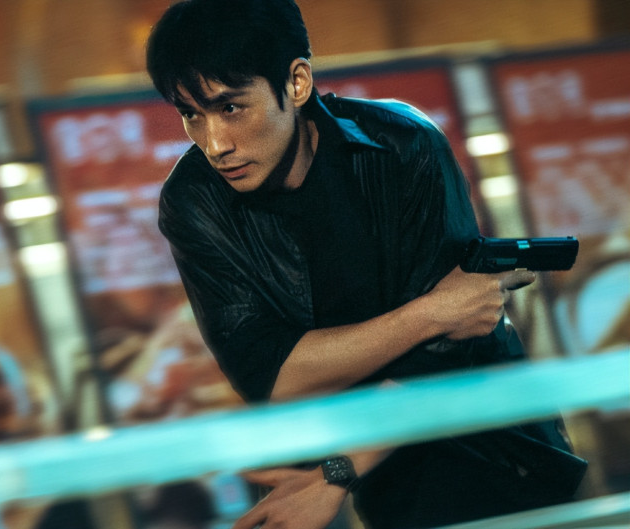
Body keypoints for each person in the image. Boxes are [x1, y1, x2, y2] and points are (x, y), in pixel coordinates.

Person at [144, 1, 586, 527]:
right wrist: (429, 314)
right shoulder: (195, 200)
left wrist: (338, 470)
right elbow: (272, 378)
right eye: (192, 115)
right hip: (377, 479)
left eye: (232, 108)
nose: (215, 144)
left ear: (296, 83)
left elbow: (451, 348)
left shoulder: (401, 145)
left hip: (501, 450)